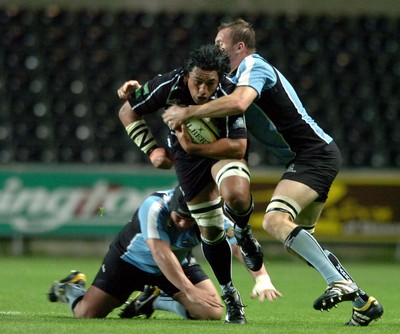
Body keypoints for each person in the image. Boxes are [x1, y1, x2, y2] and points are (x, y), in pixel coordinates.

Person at [162, 19, 383, 327]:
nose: (216, 49)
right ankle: (363, 302)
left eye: (220, 44)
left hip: (313, 155)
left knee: (274, 220)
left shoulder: (254, 66)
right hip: (311, 156)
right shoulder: (228, 78)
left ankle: (342, 284)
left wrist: (188, 112)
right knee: (302, 244)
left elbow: (239, 103)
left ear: (239, 47)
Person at [117, 44, 264, 323]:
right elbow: (128, 110)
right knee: (210, 231)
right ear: (187, 74)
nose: (203, 91)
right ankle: (230, 293)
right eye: (198, 82)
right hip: (188, 161)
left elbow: (238, 147)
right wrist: (152, 149)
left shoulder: (230, 93)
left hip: (223, 151)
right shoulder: (168, 84)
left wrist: (196, 148)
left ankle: (244, 233)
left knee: (235, 195)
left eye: (210, 83)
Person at [48, 187, 282, 321]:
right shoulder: (154, 205)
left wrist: (261, 279)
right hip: (129, 262)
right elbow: (160, 253)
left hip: (177, 262)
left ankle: (156, 299)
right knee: (86, 314)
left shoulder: (211, 215)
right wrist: (189, 291)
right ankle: (71, 288)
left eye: (188, 219)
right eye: (178, 216)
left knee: (212, 312)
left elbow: (238, 245)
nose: (182, 224)